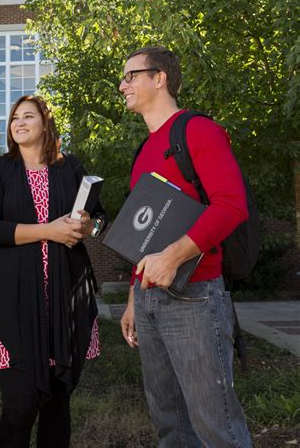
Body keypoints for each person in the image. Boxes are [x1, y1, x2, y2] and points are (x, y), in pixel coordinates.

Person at [119, 46, 252, 447]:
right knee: (171, 426)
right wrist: (131, 297)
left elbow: (232, 206)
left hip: (194, 298)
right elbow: (141, 237)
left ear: (159, 78)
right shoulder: (144, 151)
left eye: (130, 76)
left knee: (217, 427)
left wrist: (174, 256)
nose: (122, 85)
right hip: (148, 299)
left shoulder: (197, 131)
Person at [0, 94, 106, 448]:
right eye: (15, 117)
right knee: (19, 409)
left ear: (46, 123)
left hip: (66, 302)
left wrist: (88, 226)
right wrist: (48, 230)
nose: (19, 122)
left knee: (58, 408)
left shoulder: (71, 168)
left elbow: (100, 220)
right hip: (14, 303)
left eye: (28, 116)